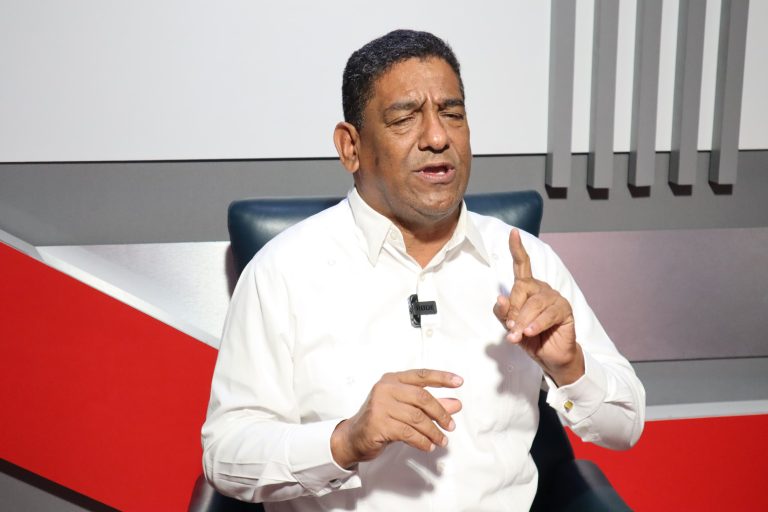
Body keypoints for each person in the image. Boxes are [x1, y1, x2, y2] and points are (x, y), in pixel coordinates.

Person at [202, 29, 645, 511]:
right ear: (351, 147)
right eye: (404, 119)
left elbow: (625, 425)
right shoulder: (282, 272)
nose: (437, 137)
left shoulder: (524, 263)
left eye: (452, 114)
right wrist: (344, 441)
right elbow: (225, 455)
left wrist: (569, 366)